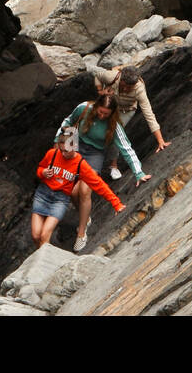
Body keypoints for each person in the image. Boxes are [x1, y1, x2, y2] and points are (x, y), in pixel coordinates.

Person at [56, 93, 151, 251]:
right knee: (72, 191)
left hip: (95, 154)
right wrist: (57, 140)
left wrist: (139, 173)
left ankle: (81, 233)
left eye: (105, 114)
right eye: (99, 112)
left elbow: (126, 148)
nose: (101, 116)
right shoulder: (84, 108)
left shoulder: (114, 126)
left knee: (85, 190)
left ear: (112, 113)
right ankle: (85, 217)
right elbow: (68, 122)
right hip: (76, 149)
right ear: (96, 107)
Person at [31, 126, 122, 248]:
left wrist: (116, 203)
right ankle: (40, 259)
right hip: (42, 195)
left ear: (74, 147)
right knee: (36, 236)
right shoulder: (52, 154)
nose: (63, 154)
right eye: (61, 150)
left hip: (60, 199)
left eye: (66, 151)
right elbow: (40, 169)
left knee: (44, 235)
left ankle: (44, 264)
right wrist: (43, 173)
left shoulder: (80, 164)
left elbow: (98, 184)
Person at [93, 65, 169, 180]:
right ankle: (91, 160)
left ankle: (113, 165)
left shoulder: (139, 89)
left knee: (114, 132)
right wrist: (100, 91)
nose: (125, 90)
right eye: (124, 86)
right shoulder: (112, 76)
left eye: (130, 88)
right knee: (96, 129)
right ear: (121, 79)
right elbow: (97, 76)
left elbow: (148, 114)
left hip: (126, 111)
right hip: (110, 106)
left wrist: (160, 140)